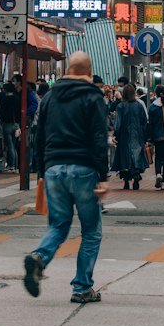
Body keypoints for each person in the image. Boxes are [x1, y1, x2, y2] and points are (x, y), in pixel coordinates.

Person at [23, 52, 109, 304]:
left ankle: (39, 257)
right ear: (89, 71)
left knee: (58, 225)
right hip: (84, 169)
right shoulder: (94, 97)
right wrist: (103, 176)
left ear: (68, 69)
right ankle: (82, 288)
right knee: (91, 232)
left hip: (53, 169)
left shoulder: (49, 97)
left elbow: (38, 136)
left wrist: (40, 171)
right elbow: (98, 139)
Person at [113, 82, 149, 190]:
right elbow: (144, 121)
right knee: (137, 154)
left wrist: (116, 134)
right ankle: (136, 174)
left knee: (125, 155)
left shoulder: (121, 106)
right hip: (138, 134)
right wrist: (144, 135)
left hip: (124, 135)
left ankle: (126, 180)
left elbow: (118, 123)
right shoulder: (139, 105)